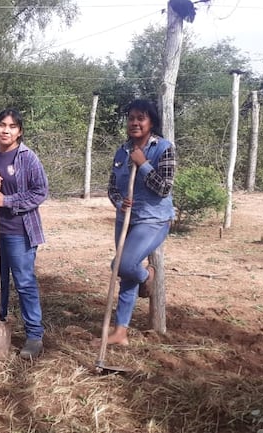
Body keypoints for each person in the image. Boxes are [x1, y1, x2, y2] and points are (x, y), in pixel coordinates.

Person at [0, 108, 49, 360]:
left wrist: (8, 200)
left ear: (19, 131)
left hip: (20, 231)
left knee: (24, 282)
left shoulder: (28, 158)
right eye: (1, 125)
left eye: (12, 126)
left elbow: (40, 192)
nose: (6, 130)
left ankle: (34, 335)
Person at [101, 99, 175, 346]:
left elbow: (164, 188)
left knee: (122, 264)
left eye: (140, 118)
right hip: (126, 220)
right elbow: (112, 187)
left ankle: (147, 276)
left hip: (153, 220)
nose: (135, 123)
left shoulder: (164, 148)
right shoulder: (121, 151)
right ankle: (120, 332)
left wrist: (143, 164)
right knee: (126, 275)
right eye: (131, 118)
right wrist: (119, 201)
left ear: (151, 122)